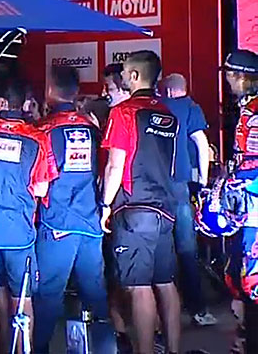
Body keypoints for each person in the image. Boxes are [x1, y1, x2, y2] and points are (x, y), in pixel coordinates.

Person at [100, 51, 181, 354]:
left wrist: (105, 205)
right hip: (164, 208)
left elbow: (115, 165)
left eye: (123, 72)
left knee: (138, 286)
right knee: (165, 283)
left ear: (134, 76)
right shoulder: (167, 113)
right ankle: (173, 349)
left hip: (134, 209)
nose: (120, 76)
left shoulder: (123, 112)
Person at [0, 78, 56, 354]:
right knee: (23, 298)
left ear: (2, 103)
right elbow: (42, 188)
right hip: (20, 233)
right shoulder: (38, 137)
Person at [32, 66, 109, 353]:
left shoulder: (44, 130)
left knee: (48, 295)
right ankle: (105, 348)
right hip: (90, 223)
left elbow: (40, 183)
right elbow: (104, 172)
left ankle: (39, 348)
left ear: (50, 90)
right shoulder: (92, 127)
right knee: (95, 293)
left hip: (57, 224)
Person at [159, 73, 216, 326]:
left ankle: (158, 315)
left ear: (167, 91)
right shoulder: (191, 108)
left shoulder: (155, 107)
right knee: (186, 248)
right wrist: (203, 181)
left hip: (154, 187)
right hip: (181, 185)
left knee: (159, 250)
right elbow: (201, 143)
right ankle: (197, 309)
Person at [221, 49, 258, 352]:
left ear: (242, 77)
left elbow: (254, 163)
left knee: (251, 280)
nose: (228, 81)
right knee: (239, 275)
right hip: (246, 209)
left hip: (254, 210)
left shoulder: (255, 112)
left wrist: (228, 184)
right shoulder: (247, 109)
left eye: (230, 76)